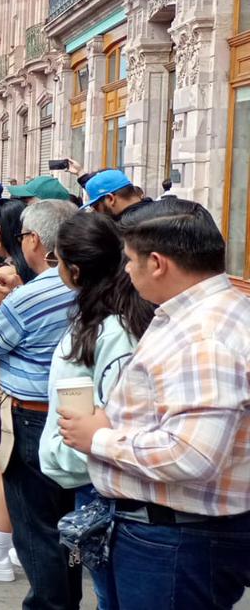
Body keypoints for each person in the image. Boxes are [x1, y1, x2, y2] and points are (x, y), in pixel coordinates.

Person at [59, 200, 250, 610]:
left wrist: (101, 439)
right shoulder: (196, 314)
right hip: (170, 533)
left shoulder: (204, 337)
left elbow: (192, 453)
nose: (125, 271)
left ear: (158, 263)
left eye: (130, 260)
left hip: (177, 538)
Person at [0, 198, 81, 608]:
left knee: (37, 529)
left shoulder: (38, 293)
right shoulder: (84, 282)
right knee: (65, 526)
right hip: (73, 413)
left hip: (33, 417)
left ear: (34, 241)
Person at [34, 212, 152, 609]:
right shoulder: (94, 317)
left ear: (75, 269)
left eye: (58, 260)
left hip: (99, 484)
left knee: (106, 589)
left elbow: (116, 406)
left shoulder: (115, 331)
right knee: (93, 573)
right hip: (83, 476)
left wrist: (76, 444)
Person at [81, 169, 149, 220]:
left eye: (96, 206)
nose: (94, 211)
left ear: (110, 199)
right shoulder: (157, 212)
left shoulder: (121, 231)